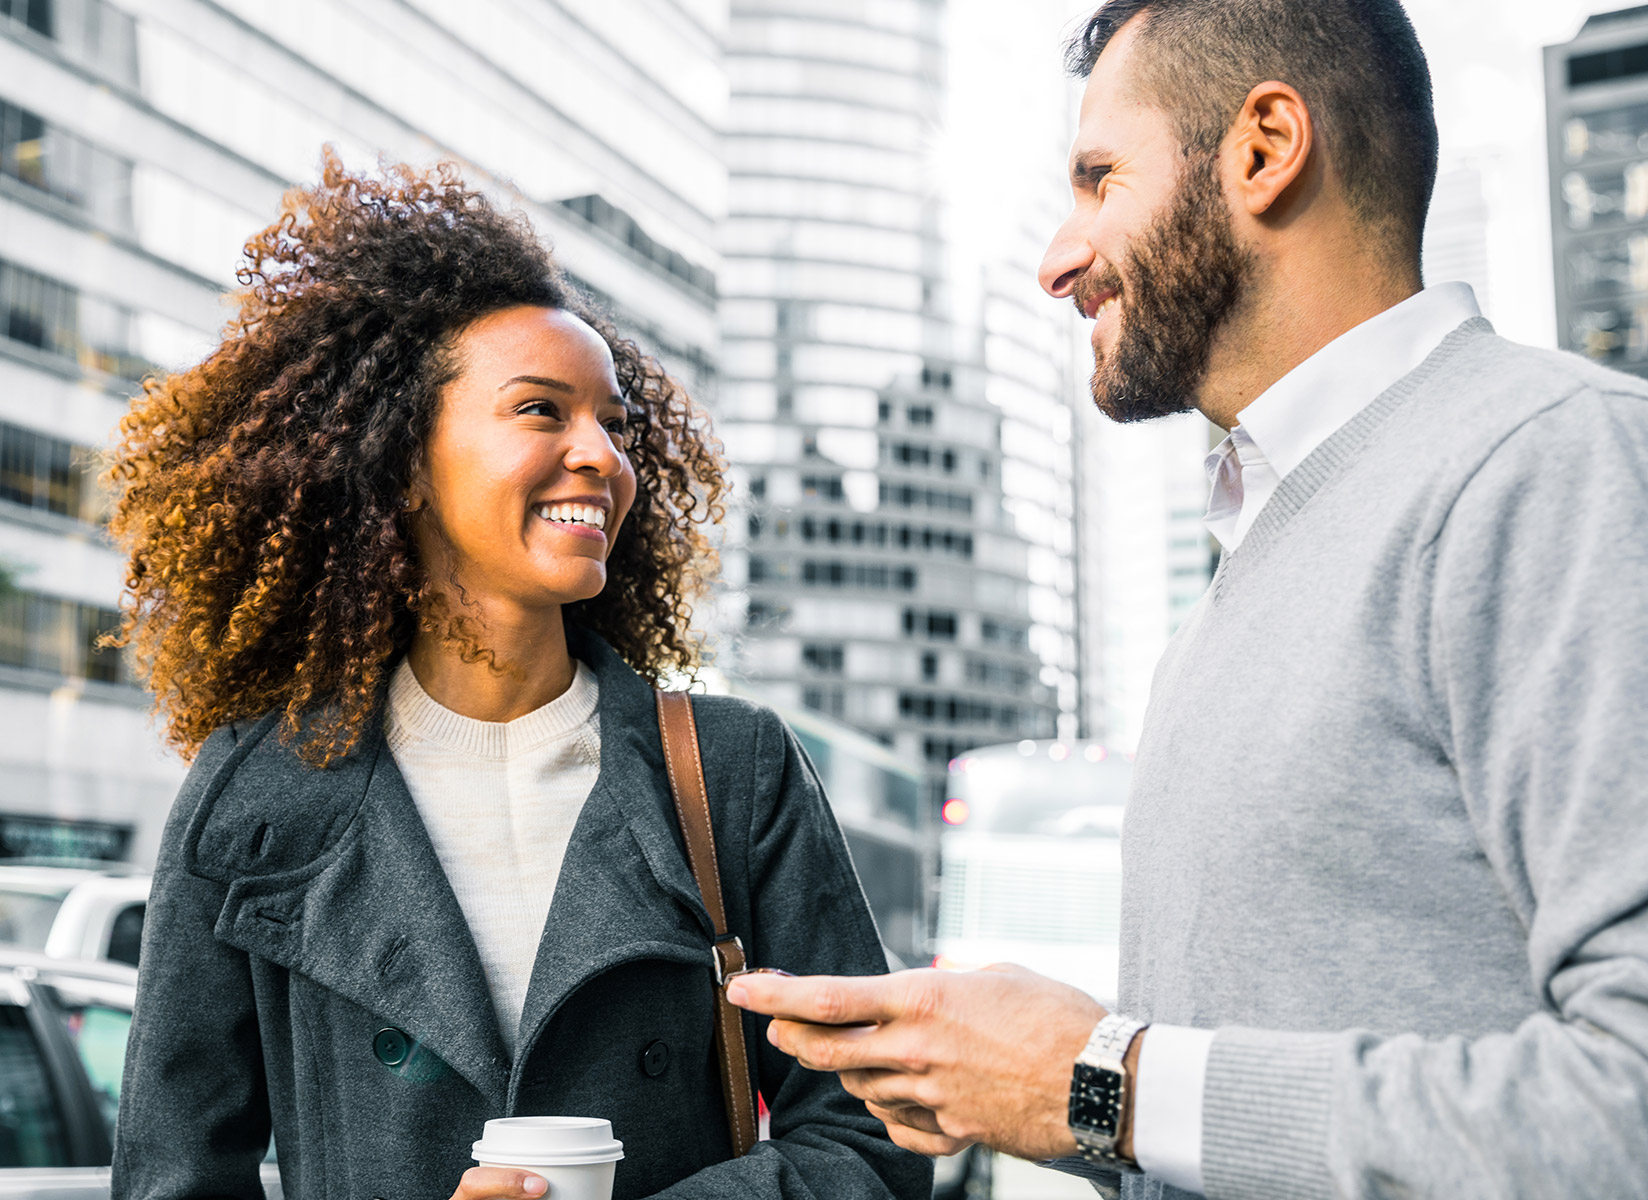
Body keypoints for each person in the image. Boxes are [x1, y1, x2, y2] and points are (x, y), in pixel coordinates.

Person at [725, 2, 1648, 1198]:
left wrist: (1098, 1081)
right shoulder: (1231, 600)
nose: (1059, 258)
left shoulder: (1556, 466)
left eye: (1101, 179)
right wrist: (1038, 1085)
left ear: (1264, 148)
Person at [107, 155, 929, 1200]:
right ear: (402, 457)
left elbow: (870, 1132)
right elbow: (170, 1180)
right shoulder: (257, 790)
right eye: (542, 410)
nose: (602, 455)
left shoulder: (733, 771)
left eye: (617, 426)